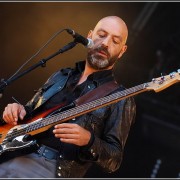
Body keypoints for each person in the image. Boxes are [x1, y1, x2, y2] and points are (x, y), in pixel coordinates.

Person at [1, 16, 136, 178]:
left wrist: (90, 140)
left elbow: (114, 160)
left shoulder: (120, 97)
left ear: (122, 51)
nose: (105, 43)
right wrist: (16, 111)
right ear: (89, 36)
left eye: (115, 41)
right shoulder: (61, 75)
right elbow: (29, 115)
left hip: (46, 167)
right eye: (101, 35)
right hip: (11, 152)